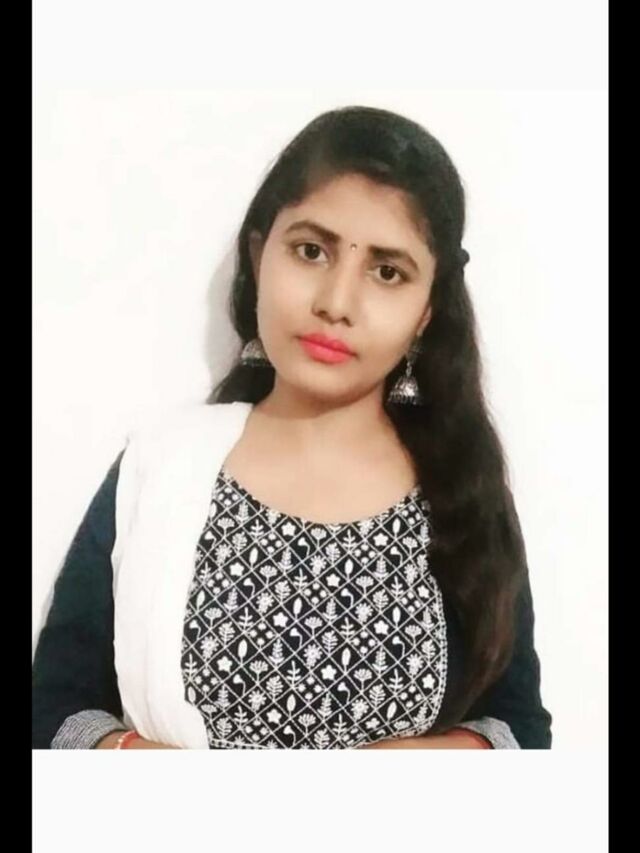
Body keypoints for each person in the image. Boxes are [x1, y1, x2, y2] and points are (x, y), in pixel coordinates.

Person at [32, 105, 553, 750]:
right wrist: (143, 764)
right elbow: (53, 710)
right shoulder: (161, 470)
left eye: (387, 271)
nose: (336, 302)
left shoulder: (459, 489)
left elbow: (519, 728)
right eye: (311, 251)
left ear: (427, 309)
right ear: (260, 256)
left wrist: (422, 764)